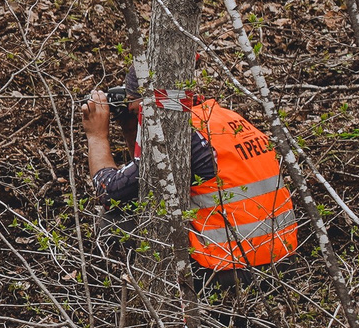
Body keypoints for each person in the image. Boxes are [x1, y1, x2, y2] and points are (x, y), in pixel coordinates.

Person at [81, 70, 299, 271]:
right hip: (280, 258)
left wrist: (96, 135)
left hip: (229, 266)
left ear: (148, 102)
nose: (135, 113)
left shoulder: (179, 134)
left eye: (136, 109)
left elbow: (109, 191)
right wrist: (131, 126)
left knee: (116, 220)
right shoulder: (223, 117)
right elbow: (149, 180)